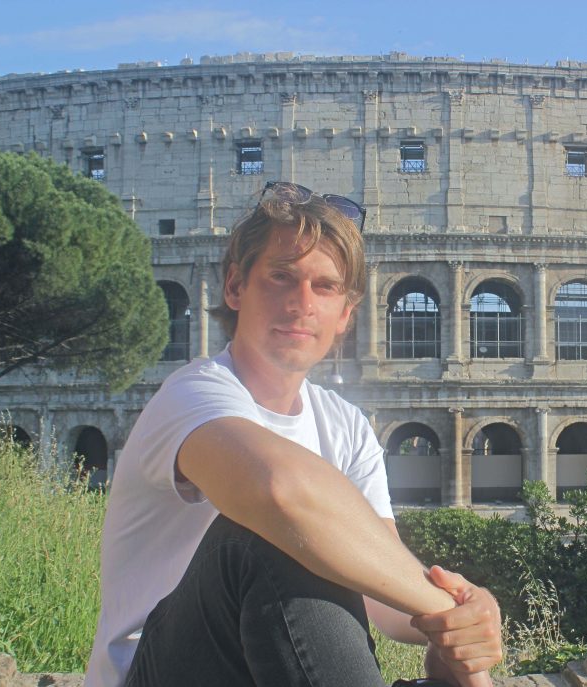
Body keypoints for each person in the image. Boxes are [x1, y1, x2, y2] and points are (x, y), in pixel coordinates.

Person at [84, 182, 503, 687]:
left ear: (346, 314)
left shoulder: (347, 426)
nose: (301, 303)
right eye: (282, 277)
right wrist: (437, 604)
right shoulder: (191, 394)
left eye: (324, 287)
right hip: (157, 672)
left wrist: (464, 616)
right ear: (235, 287)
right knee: (275, 533)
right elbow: (280, 492)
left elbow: (382, 598)